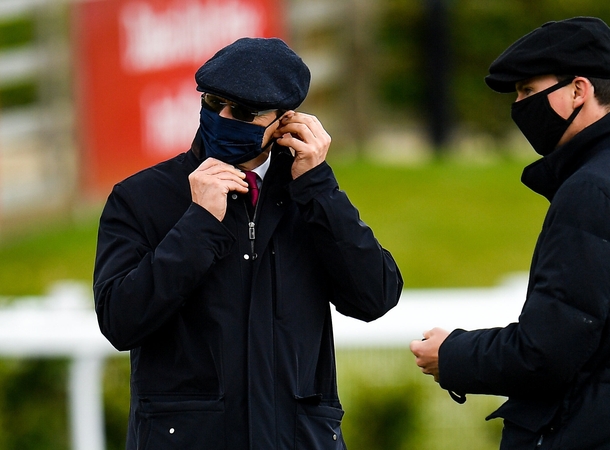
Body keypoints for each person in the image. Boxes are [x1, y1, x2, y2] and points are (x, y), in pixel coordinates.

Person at [410, 17, 610, 449]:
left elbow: (546, 353)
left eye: (527, 92)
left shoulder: (593, 190)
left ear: (579, 90)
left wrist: (452, 355)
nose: (519, 106)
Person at [94, 37, 403, 449]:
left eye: (241, 111)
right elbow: (119, 321)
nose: (222, 117)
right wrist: (198, 224)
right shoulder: (141, 197)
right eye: (212, 103)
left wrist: (318, 188)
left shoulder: (309, 196)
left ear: (284, 121)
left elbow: (375, 296)